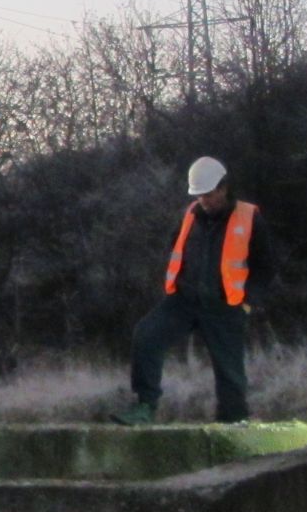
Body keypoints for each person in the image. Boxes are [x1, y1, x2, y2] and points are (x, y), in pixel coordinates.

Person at [113, 155, 276, 425]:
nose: (204, 200)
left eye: (209, 194)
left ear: (223, 188)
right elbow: (175, 248)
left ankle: (234, 423)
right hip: (184, 300)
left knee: (230, 375)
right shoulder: (190, 215)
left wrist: (248, 302)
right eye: (200, 195)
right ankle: (145, 406)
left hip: (225, 305)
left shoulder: (249, 217)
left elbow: (266, 266)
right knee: (146, 336)